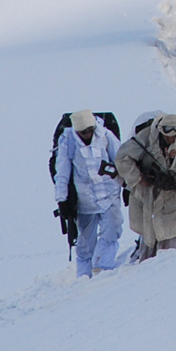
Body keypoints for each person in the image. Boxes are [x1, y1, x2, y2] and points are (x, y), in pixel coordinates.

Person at [115, 111, 176, 261]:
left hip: (173, 195)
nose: (170, 139)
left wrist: (175, 159)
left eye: (174, 136)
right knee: (149, 238)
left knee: (172, 240)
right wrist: (140, 177)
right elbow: (122, 158)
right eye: (167, 136)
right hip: (149, 195)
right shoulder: (146, 137)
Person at [53, 110, 123, 278]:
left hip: (109, 195)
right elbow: (62, 173)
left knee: (112, 231)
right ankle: (84, 278)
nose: (88, 134)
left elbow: (121, 160)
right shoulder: (68, 141)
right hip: (85, 201)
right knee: (85, 244)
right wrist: (62, 199)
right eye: (83, 132)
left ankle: (103, 270)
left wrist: (128, 185)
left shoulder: (105, 136)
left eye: (90, 130)